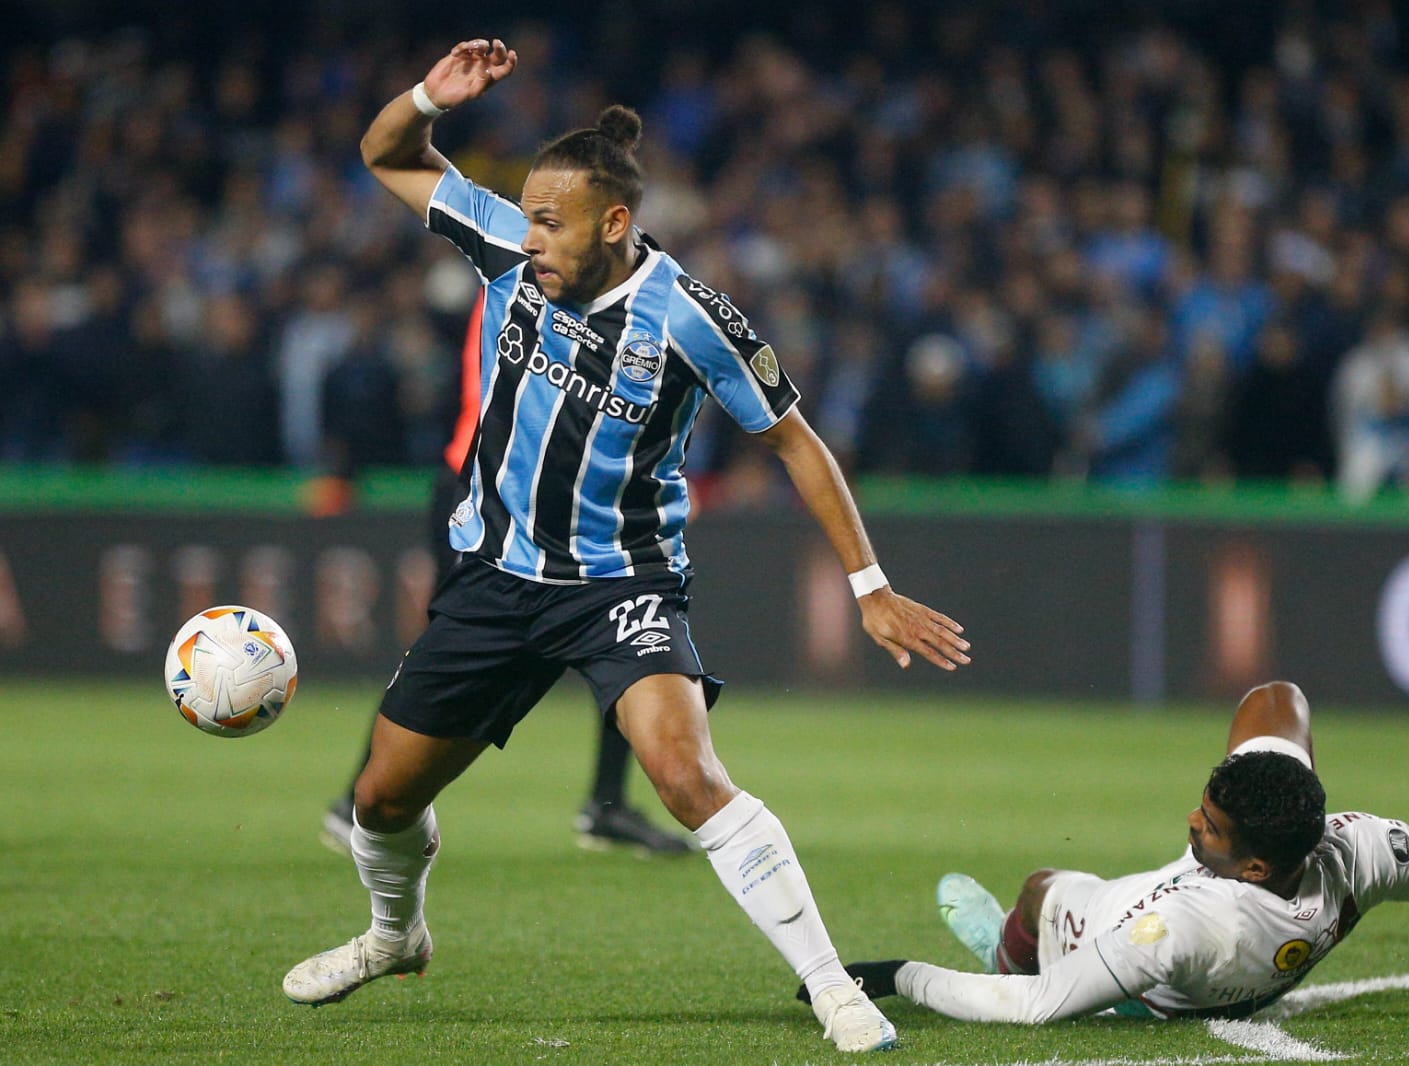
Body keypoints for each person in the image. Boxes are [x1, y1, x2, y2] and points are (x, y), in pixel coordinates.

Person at [280, 38, 971, 1055]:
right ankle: (395, 933)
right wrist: (431, 96)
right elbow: (387, 155)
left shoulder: (690, 316)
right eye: (524, 215)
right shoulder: (508, 249)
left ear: (616, 223)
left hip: (620, 583)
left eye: (550, 221)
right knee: (383, 797)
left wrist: (870, 584)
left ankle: (832, 986)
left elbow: (794, 438)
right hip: (496, 576)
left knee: (686, 773)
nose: (532, 237)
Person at [800, 645, 1409, 1025]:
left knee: (1043, 890)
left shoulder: (1183, 923)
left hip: (1154, 973)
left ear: (1253, 864)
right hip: (1233, 935)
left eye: (1207, 825)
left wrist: (898, 975)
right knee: (1275, 702)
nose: (1190, 820)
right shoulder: (1352, 845)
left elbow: (1036, 1008)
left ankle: (1002, 941)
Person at [319, 291, 695, 858]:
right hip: (486, 485)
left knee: (632, 625)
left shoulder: (555, 279)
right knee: (451, 642)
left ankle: (607, 804)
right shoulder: (517, 277)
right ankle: (358, 798)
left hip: (534, 489)